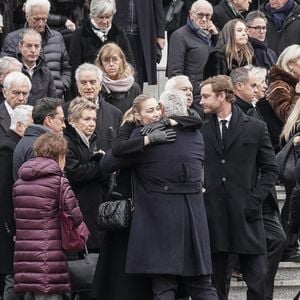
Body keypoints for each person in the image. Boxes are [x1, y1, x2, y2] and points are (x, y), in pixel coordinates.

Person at [99, 94, 218, 300]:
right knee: (201, 285)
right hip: (193, 219)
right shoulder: (196, 135)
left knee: (164, 285)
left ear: (162, 109)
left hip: (159, 220)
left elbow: (108, 164)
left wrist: (129, 126)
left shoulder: (145, 135)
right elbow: (195, 120)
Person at [199, 75, 278, 300]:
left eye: (206, 96)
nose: (201, 101)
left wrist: (256, 199)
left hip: (247, 214)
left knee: (258, 278)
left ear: (222, 96)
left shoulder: (255, 127)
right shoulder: (202, 131)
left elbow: (271, 169)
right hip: (214, 215)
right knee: (215, 283)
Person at [231, 67, 286, 300]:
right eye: (254, 85)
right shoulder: (232, 115)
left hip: (261, 193)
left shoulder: (255, 110)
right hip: (242, 194)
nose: (260, 88)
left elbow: (267, 156)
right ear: (238, 87)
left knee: (276, 239)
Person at [13, 131, 86, 300]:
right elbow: (76, 216)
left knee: (32, 293)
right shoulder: (59, 182)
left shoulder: (20, 182)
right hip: (49, 253)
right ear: (60, 156)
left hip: (25, 255)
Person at [2, 0, 71, 99]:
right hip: (24, 99)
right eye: (36, 19)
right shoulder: (13, 39)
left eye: (44, 19)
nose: (41, 23)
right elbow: (6, 72)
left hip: (55, 97)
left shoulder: (57, 37)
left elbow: (66, 67)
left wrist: (62, 85)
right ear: (27, 17)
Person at [64, 97, 107, 252]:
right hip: (78, 206)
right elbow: (73, 173)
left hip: (92, 204)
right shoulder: (67, 141)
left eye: (94, 119)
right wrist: (100, 164)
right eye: (87, 119)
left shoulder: (91, 139)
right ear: (73, 121)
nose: (92, 123)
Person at [0, 105, 33, 300]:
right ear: (20, 125)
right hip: (8, 224)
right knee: (13, 275)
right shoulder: (7, 148)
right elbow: (4, 190)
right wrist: (11, 227)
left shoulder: (14, 145)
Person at [69, 0, 135, 95]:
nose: (105, 21)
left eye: (108, 17)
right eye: (100, 17)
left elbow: (130, 62)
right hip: (90, 90)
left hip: (118, 90)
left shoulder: (119, 33)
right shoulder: (79, 35)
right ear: (92, 15)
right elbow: (74, 68)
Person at [167, 0, 218, 111]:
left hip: (212, 93)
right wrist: (185, 95)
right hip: (194, 97)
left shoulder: (212, 34)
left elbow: (220, 60)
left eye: (207, 16)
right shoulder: (180, 35)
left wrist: (216, 37)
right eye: (200, 15)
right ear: (191, 14)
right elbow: (175, 72)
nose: (204, 19)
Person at [113, 0, 165, 88]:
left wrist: (160, 34)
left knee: (138, 75)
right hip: (118, 32)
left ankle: (137, 98)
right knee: (116, 70)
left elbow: (158, 6)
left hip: (141, 34)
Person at [71, 63, 122, 151]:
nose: (88, 87)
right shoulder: (65, 110)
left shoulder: (115, 114)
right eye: (83, 83)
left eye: (92, 82)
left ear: (100, 85)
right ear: (77, 85)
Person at [13, 97, 65, 180]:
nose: (64, 125)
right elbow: (44, 184)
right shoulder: (41, 146)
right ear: (49, 120)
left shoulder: (26, 140)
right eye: (61, 120)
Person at [95, 42, 141, 114]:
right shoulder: (96, 86)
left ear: (121, 60)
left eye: (115, 59)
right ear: (101, 63)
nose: (111, 64)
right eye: (106, 60)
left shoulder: (134, 88)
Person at [18, 28, 57, 105]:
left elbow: (52, 101)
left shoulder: (46, 73)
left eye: (36, 46)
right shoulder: (13, 70)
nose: (33, 50)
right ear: (20, 47)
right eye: (29, 46)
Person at [0, 71, 31, 139]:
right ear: (5, 93)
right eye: (16, 93)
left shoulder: (33, 116)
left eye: (25, 93)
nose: (21, 98)